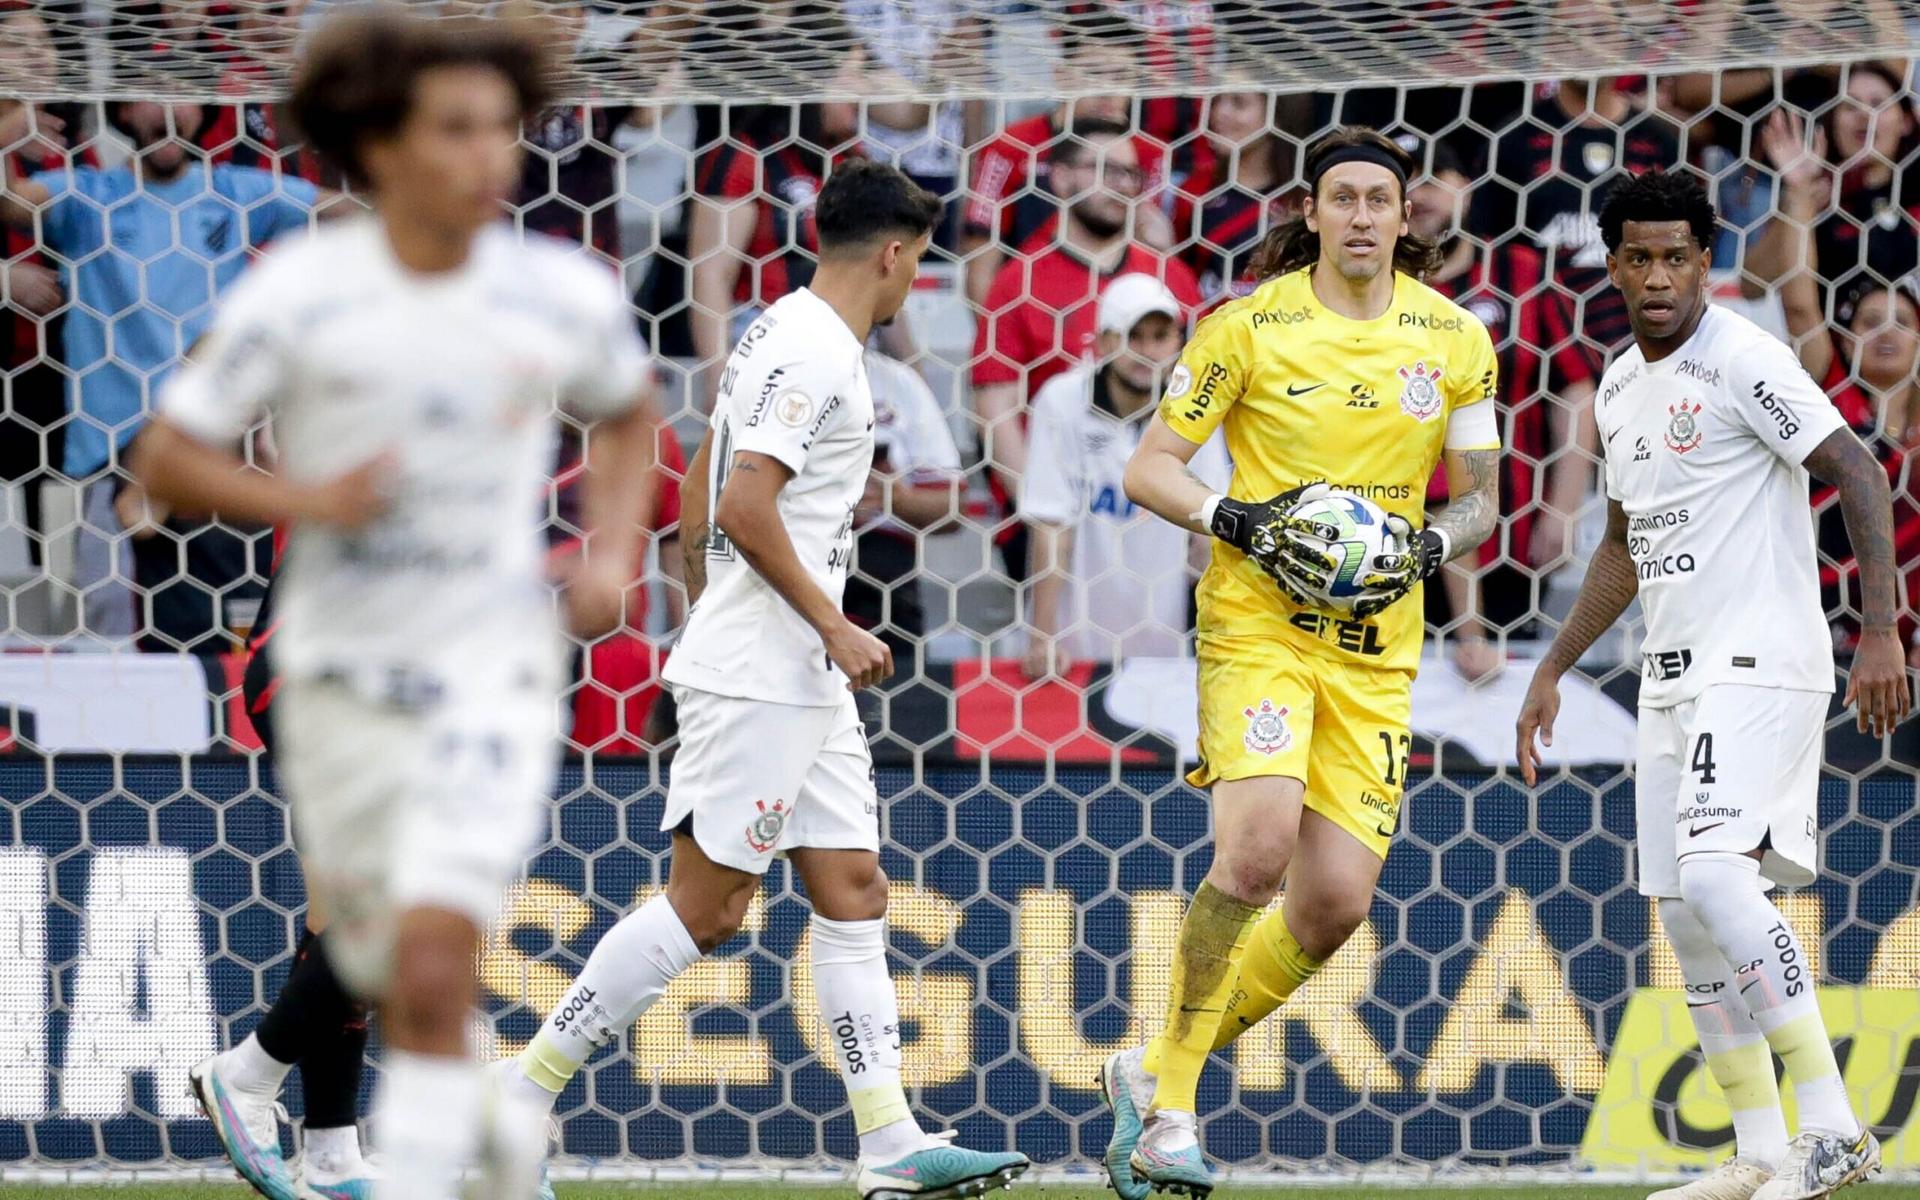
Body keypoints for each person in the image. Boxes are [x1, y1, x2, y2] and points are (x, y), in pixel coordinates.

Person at [129, 11, 662, 1200]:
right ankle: (334, 1111)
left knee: (425, 954)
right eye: (457, 130)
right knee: (401, 961)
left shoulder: (558, 290)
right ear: (380, 148)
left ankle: (324, 1124)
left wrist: (609, 554)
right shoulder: (306, 293)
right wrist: (311, 494)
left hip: (491, 668)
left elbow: (630, 413)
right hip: (337, 671)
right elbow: (165, 459)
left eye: (503, 131)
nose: (493, 159)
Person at [493, 159, 1031, 1200]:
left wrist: (712, 600)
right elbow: (745, 501)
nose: (913, 277)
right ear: (894, 254)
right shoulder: (821, 353)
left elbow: (703, 469)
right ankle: (517, 1100)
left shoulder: (774, 326)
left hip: (787, 666)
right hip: (774, 666)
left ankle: (889, 1146)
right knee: (706, 909)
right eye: (917, 261)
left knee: (853, 889)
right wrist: (827, 625)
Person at [1111, 126, 1503, 1194]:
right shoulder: (1247, 328)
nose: (1365, 216)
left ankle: (1149, 1069)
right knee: (1255, 853)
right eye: (1345, 198)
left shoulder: (1457, 339)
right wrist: (1241, 522)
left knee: (1332, 908)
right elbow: (1150, 468)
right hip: (1259, 628)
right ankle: (1174, 1116)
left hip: (1379, 651)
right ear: (1313, 211)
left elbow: (1480, 501)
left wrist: (1424, 546)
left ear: (1407, 211)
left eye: (1382, 197)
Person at [1517, 168, 1910, 1200]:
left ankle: (1834, 1129)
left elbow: (1859, 472)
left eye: (1677, 256)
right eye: (1637, 257)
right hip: (1671, 675)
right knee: (1685, 915)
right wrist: (1552, 666)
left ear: (1705, 261)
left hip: (1764, 659)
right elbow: (1619, 545)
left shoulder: (1745, 357)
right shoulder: (1616, 381)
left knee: (1719, 878)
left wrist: (1879, 630)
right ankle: (1759, 1149)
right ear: (1613, 265)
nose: (1657, 276)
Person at [1405, 133, 1600, 680]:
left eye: (1433, 177)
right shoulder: (1381, 295)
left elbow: (1574, 386)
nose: (1418, 196)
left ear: (1466, 189)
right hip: (1395, 545)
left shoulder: (1521, 273)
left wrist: (1562, 508)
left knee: (1506, 703)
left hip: (1511, 537)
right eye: (1404, 185)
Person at [971, 118, 1201, 582]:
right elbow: (997, 414)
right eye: (1101, 169)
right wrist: (1046, 508)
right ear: (1060, 176)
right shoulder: (1017, 282)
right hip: (1057, 520)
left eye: (1128, 174)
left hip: (1158, 517)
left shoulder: (1170, 277)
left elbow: (1199, 394)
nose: (1117, 185)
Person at [1022, 274, 1229, 677]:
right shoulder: (1061, 402)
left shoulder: (1195, 413)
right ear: (1103, 342)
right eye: (1133, 337)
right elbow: (1050, 525)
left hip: (1164, 651)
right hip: (1069, 653)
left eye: (1160, 336)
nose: (1148, 351)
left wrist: (1221, 639)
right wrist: (1042, 638)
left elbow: (1207, 537)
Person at [1469, 76, 1680, 357]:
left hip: (1637, 341)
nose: (1588, 38)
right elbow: (1486, 245)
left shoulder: (1657, 140)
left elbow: (1682, 248)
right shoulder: (1513, 139)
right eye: (1577, 29)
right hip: (1543, 344)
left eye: (1601, 30)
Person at [848, 346, 963, 672]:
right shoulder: (776, 374)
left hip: (883, 584)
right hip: (794, 578)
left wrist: (895, 498)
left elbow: (953, 507)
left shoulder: (899, 382)